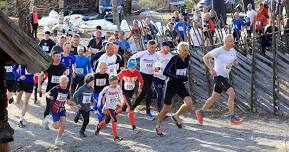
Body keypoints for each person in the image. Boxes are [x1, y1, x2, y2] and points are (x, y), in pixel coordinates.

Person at [195, 34, 241, 126]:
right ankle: (232, 117)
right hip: (218, 76)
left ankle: (201, 111)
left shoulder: (233, 50)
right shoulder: (218, 51)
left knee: (214, 97)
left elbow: (234, 60)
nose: (233, 43)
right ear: (225, 42)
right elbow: (205, 58)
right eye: (230, 41)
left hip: (225, 76)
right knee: (232, 93)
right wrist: (211, 69)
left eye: (233, 41)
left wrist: (235, 62)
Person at [155, 42, 193, 136]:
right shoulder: (174, 58)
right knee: (166, 108)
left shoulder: (187, 58)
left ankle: (176, 115)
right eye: (185, 50)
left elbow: (184, 70)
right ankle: (158, 126)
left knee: (189, 103)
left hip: (180, 85)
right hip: (171, 85)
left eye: (188, 50)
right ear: (179, 51)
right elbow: (166, 72)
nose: (187, 52)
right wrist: (177, 77)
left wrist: (185, 76)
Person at [45, 75, 80, 146]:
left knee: (63, 124)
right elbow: (47, 94)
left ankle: (58, 140)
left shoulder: (67, 90)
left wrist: (74, 105)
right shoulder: (56, 88)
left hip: (62, 110)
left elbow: (68, 102)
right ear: (59, 82)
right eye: (63, 83)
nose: (64, 85)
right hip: (55, 109)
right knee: (56, 126)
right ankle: (48, 120)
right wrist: (49, 96)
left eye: (66, 83)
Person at [131, 40, 160, 121]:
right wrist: (132, 67)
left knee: (142, 95)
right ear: (147, 47)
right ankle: (148, 113)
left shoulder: (156, 55)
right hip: (142, 76)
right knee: (149, 92)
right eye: (152, 47)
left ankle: (132, 108)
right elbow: (132, 57)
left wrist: (158, 68)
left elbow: (158, 65)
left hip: (151, 76)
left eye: (155, 47)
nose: (153, 49)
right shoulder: (142, 53)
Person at [38, 51, 67, 130]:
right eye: (57, 56)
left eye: (60, 57)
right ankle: (45, 123)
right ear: (53, 57)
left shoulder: (63, 67)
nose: (58, 58)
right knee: (49, 107)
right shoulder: (48, 66)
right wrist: (39, 87)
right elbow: (40, 76)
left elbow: (66, 77)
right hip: (50, 90)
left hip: (59, 91)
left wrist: (66, 88)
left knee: (57, 107)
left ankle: (56, 121)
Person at [116, 58, 144, 133]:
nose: (133, 69)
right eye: (131, 67)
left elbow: (141, 81)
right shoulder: (124, 72)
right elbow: (116, 78)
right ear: (128, 66)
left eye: (134, 67)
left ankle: (113, 114)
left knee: (123, 108)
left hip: (131, 93)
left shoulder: (137, 72)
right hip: (124, 93)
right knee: (131, 108)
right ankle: (134, 128)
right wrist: (116, 86)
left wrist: (140, 88)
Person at [95, 75, 124, 142]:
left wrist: (122, 102)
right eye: (114, 83)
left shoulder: (118, 88)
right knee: (114, 120)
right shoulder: (107, 88)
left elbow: (121, 95)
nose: (115, 85)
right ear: (110, 82)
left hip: (113, 107)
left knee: (107, 121)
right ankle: (115, 137)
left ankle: (98, 126)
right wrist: (99, 103)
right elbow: (100, 94)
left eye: (116, 83)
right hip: (108, 107)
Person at [72, 46, 92, 123]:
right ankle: (74, 103)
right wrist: (72, 72)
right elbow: (72, 65)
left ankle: (78, 107)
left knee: (80, 92)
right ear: (77, 51)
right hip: (75, 76)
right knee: (72, 90)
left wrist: (90, 74)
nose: (80, 52)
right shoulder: (74, 57)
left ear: (84, 51)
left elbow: (89, 67)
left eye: (81, 51)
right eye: (79, 51)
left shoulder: (86, 59)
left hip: (82, 77)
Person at [153, 42, 174, 113]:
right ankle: (160, 111)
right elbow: (152, 65)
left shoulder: (170, 56)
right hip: (156, 76)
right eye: (166, 47)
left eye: (169, 48)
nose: (168, 49)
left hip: (165, 77)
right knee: (160, 93)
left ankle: (164, 109)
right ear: (162, 47)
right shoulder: (156, 54)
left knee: (165, 94)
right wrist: (156, 68)